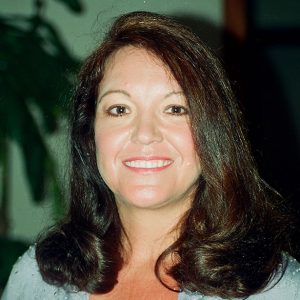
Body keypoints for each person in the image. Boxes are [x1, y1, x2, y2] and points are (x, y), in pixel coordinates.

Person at [2, 11, 300, 300]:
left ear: (213, 132)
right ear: (89, 135)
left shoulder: (273, 288)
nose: (144, 134)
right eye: (119, 109)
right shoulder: (38, 277)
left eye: (175, 109)